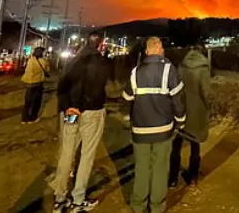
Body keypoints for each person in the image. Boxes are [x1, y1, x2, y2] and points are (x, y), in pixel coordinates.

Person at [122, 37, 186, 213]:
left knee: (142, 167)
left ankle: (138, 205)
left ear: (147, 51)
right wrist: (180, 120)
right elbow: (178, 100)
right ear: (160, 49)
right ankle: (157, 207)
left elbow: (127, 97)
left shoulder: (135, 72)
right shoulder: (168, 70)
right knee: (160, 168)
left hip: (140, 130)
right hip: (163, 130)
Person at [51, 31, 109, 213]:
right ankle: (78, 200)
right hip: (91, 114)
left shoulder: (73, 60)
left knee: (67, 151)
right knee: (86, 155)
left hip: (71, 113)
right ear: (100, 44)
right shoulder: (101, 62)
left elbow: (61, 87)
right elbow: (98, 87)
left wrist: (70, 106)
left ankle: (59, 198)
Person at [168, 45, 211, 188]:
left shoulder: (181, 66)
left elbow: (175, 88)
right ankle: (192, 177)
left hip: (182, 109)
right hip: (197, 111)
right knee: (195, 143)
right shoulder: (203, 69)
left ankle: (173, 178)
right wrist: (208, 107)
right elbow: (206, 93)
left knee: (176, 143)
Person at [20, 46, 49, 124]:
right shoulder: (43, 61)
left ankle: (24, 119)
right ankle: (32, 118)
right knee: (36, 102)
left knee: (27, 102)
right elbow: (47, 70)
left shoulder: (30, 60)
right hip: (37, 84)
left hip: (29, 84)